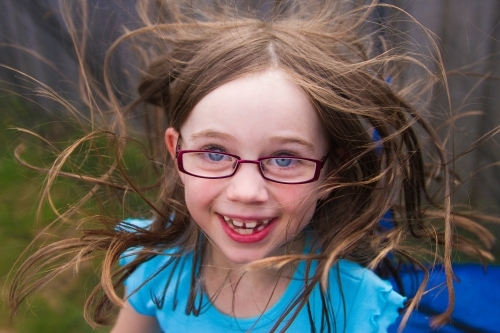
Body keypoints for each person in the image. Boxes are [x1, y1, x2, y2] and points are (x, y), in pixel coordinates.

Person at [8, 1, 495, 332]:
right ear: (177, 151)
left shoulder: (354, 307)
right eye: (215, 153)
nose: (245, 190)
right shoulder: (157, 269)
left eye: (284, 158)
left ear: (333, 171)